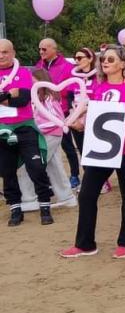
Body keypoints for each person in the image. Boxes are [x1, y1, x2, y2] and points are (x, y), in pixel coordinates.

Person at [59, 45, 125, 257]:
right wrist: (82, 124)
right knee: (86, 194)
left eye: (111, 60)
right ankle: (85, 244)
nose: (105, 62)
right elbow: (95, 117)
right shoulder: (99, 88)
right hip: (100, 149)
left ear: (123, 64)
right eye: (103, 59)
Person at [0, 39, 54, 226]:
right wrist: (9, 94)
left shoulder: (23, 72)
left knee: (36, 168)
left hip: (25, 127)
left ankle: (45, 206)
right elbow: (12, 97)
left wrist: (4, 97)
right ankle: (15, 209)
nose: (1, 55)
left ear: (13, 53)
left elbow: (22, 100)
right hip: (2, 130)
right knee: (7, 172)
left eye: (5, 52)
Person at [17, 69, 76, 212]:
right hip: (47, 134)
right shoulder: (38, 97)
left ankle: (29, 198)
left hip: (49, 134)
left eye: (33, 81)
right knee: (54, 165)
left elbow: (56, 118)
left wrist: (35, 128)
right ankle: (66, 196)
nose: (30, 84)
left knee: (29, 164)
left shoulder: (47, 97)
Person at [35, 38, 80, 191]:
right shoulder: (38, 65)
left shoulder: (67, 66)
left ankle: (74, 175)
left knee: (68, 146)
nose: (41, 52)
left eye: (44, 49)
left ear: (54, 49)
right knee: (47, 149)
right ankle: (47, 180)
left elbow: (73, 88)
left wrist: (58, 96)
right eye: (39, 49)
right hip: (43, 114)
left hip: (64, 113)